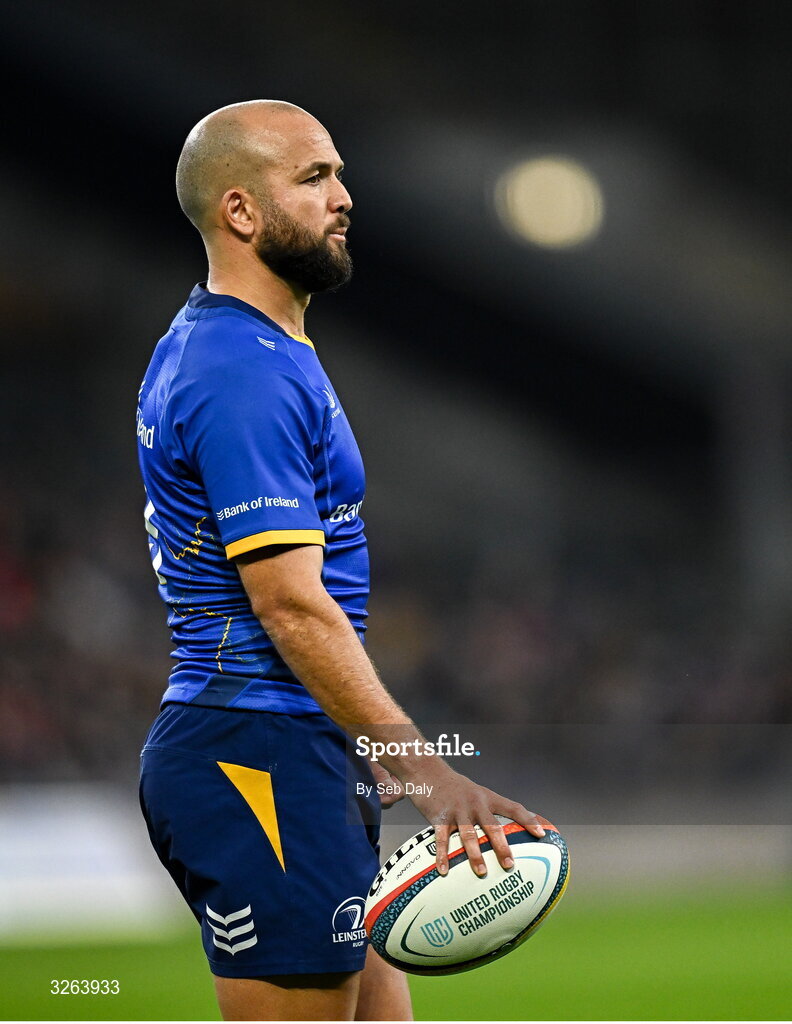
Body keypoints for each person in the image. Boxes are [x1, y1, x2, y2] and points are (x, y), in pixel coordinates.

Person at [136, 99, 546, 1022]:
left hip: (295, 747)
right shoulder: (240, 369)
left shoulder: (249, 347)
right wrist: (424, 771)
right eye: (314, 177)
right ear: (241, 211)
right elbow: (289, 605)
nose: (343, 197)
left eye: (340, 173)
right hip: (253, 752)